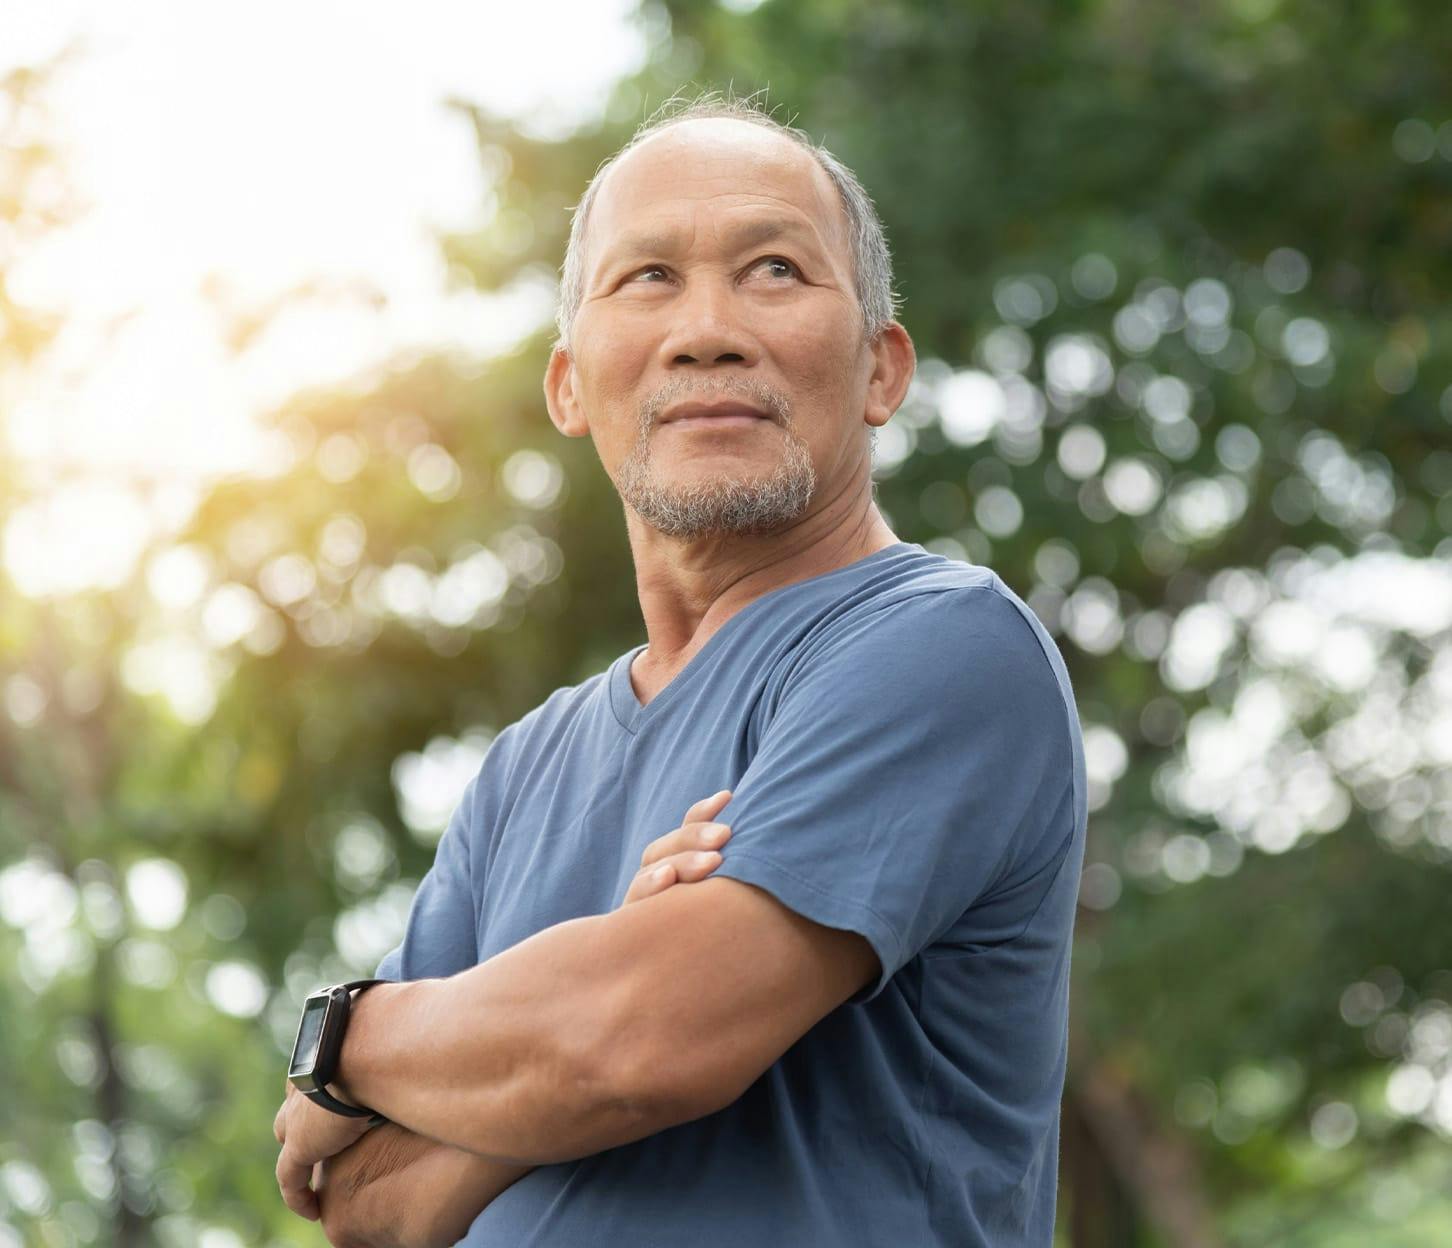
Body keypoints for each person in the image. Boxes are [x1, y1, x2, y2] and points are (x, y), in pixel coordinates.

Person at [272, 88, 1087, 1248]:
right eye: (647, 277)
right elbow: (359, 1199)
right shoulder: (521, 773)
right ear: (568, 384)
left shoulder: (942, 646)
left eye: (773, 270)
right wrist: (599, 1001)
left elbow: (642, 1043)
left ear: (881, 370)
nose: (707, 327)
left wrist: (353, 1037)